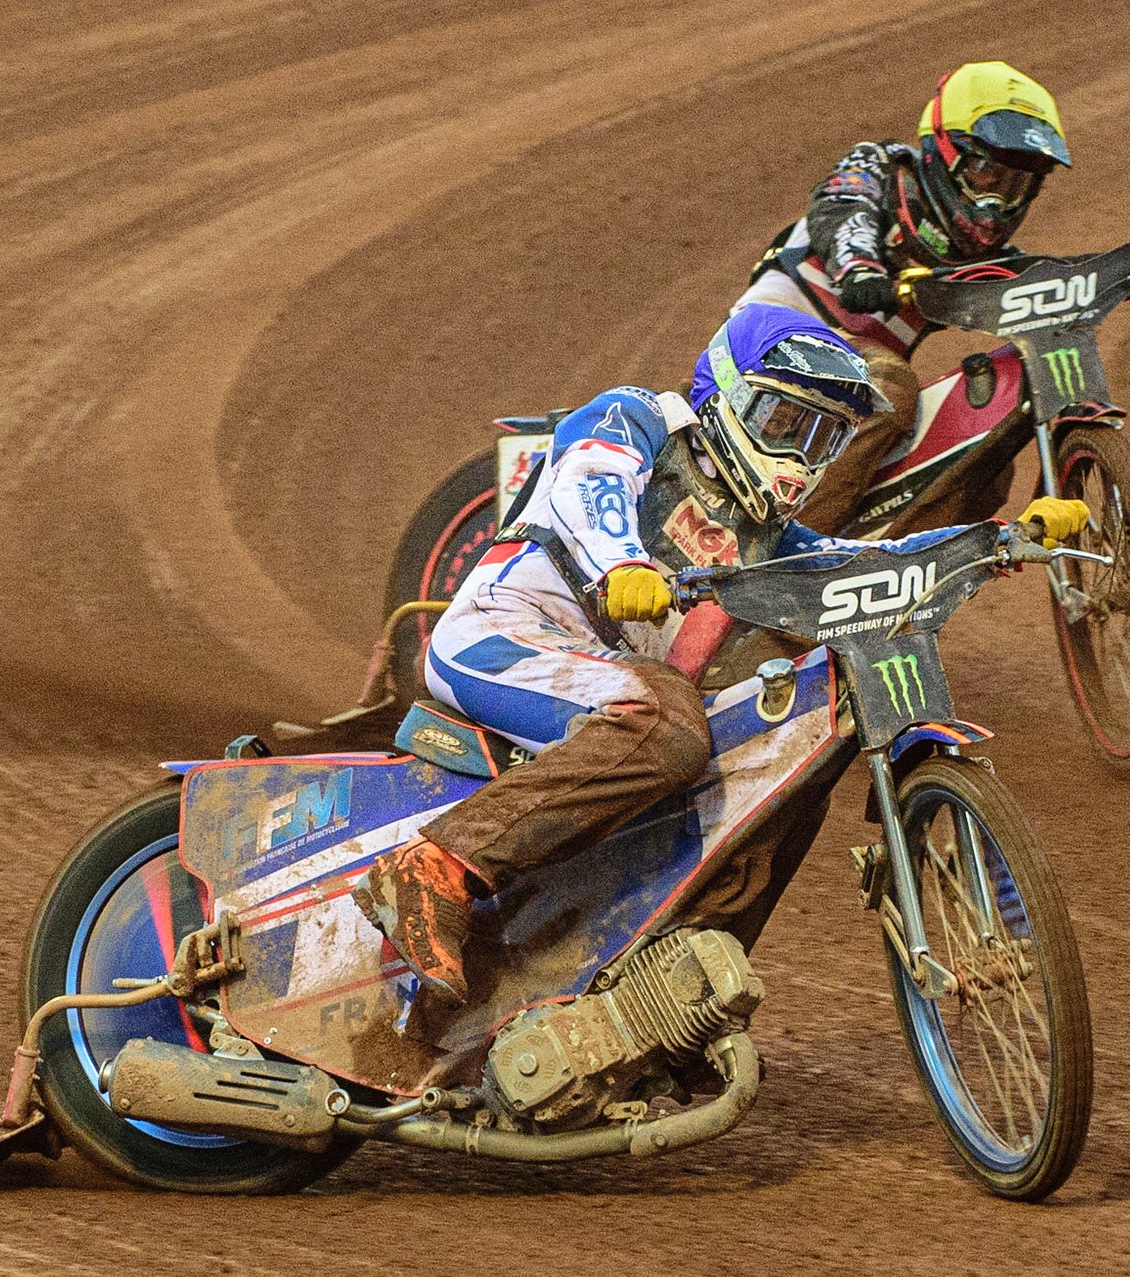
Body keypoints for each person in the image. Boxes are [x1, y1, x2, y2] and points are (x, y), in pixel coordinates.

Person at [354, 304, 1087, 1003]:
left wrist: (997, 540)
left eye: (822, 439)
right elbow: (591, 481)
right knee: (664, 723)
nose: (800, 457)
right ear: (728, 397)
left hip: (608, 676)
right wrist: (622, 564)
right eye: (786, 422)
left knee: (788, 767)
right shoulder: (641, 417)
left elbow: (858, 562)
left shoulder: (768, 538)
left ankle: (677, 993)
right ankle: (434, 865)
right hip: (504, 633)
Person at [731, 60, 1072, 532]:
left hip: (848, 382)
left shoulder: (986, 257)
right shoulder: (880, 168)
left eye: (1016, 184)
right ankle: (779, 547)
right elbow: (843, 207)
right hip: (767, 337)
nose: (997, 199)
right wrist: (859, 269)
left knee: (981, 449)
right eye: (986, 173)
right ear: (944, 153)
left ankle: (891, 565)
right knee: (889, 386)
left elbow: (1051, 278)